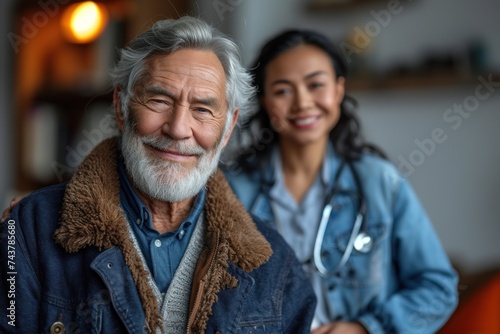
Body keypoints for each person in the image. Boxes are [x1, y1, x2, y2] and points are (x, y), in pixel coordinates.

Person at [0, 17, 317, 333]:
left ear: (228, 127)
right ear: (121, 107)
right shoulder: (29, 230)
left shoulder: (274, 265)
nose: (178, 129)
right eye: (159, 100)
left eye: (203, 110)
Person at [223, 29, 459, 334]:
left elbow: (437, 288)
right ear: (265, 100)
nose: (302, 103)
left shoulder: (379, 182)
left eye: (316, 85)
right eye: (283, 90)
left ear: (338, 89)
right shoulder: (230, 189)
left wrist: (365, 328)